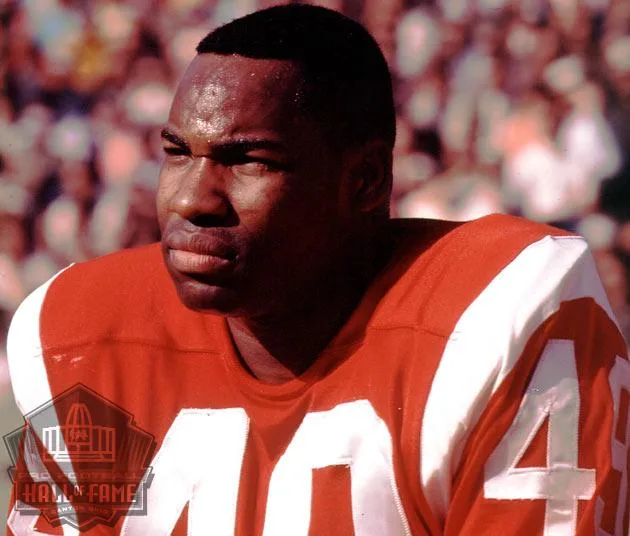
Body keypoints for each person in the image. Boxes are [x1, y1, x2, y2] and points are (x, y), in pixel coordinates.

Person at [5, 5, 629, 535]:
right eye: (177, 152)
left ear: (365, 181)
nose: (192, 199)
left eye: (249, 160)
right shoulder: (84, 335)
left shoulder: (497, 313)